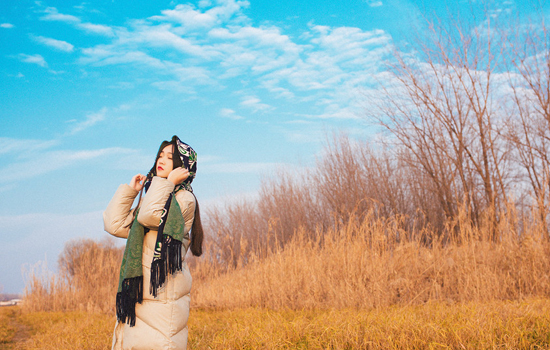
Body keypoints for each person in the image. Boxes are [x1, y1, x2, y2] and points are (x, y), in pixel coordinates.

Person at [103, 135, 203, 350]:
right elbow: (114, 224)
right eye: (160, 155)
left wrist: (166, 184)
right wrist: (132, 192)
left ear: (183, 167)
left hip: (163, 296)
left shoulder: (184, 199)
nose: (162, 160)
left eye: (170, 157)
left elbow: (149, 216)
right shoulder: (155, 197)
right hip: (142, 292)